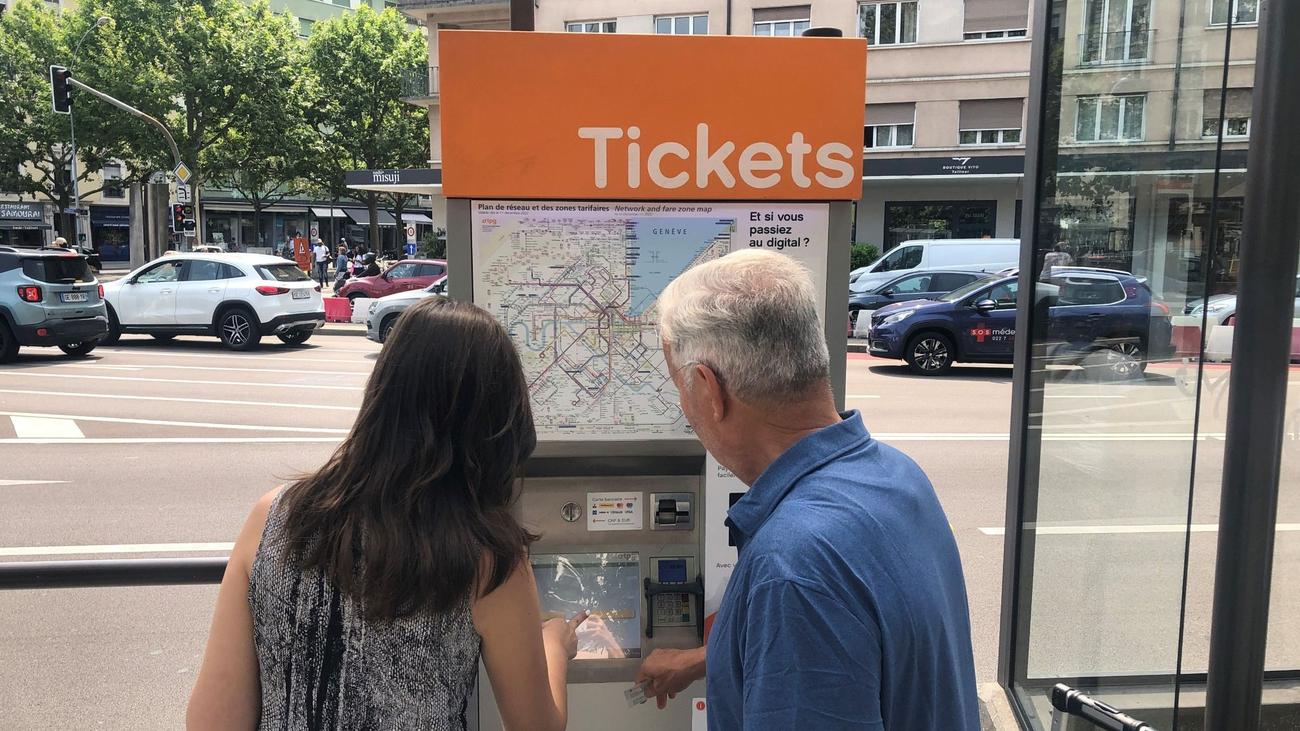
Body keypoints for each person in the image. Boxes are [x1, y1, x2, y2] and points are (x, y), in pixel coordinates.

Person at [187, 297, 588, 731]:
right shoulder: (487, 559)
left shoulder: (274, 517)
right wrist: (554, 645)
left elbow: (211, 722)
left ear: (382, 392)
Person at [635, 250, 978, 729]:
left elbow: (812, 612)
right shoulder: (898, 476)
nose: (683, 406)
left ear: (709, 390)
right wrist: (710, 659)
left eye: (680, 387)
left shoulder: (794, 564)